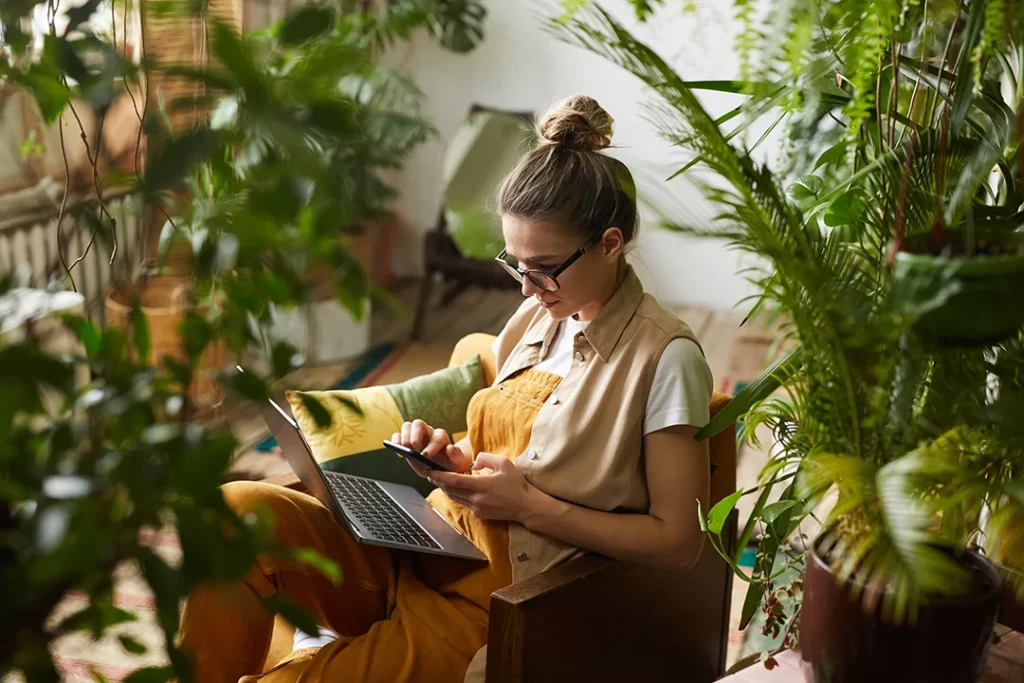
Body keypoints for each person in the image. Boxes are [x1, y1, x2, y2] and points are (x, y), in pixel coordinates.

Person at [178, 95, 713, 683]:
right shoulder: (539, 317)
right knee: (237, 512)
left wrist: (530, 506)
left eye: (544, 267)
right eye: (516, 263)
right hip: (429, 551)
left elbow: (677, 542)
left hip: (495, 604)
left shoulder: (666, 358)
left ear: (610, 244)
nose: (529, 288)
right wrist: (448, 458)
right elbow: (512, 453)